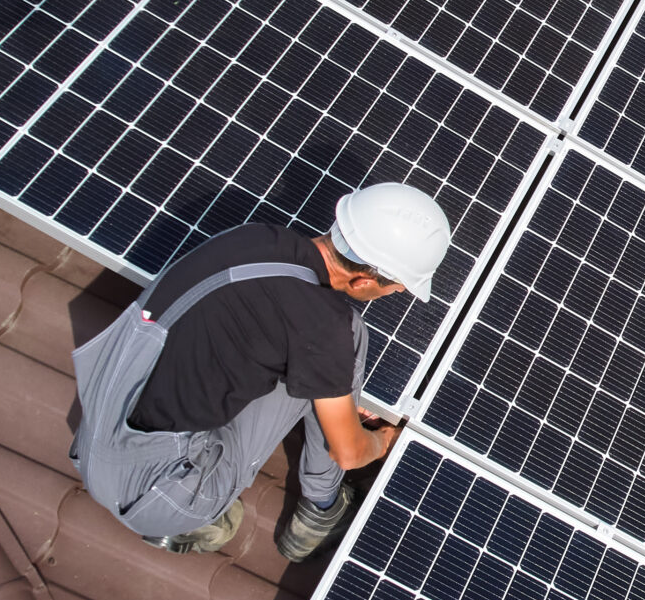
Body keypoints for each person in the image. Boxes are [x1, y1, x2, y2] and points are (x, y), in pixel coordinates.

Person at [70, 183, 453, 561]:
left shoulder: (255, 237)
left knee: (315, 362)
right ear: (364, 281)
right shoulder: (323, 328)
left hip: (95, 440)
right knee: (349, 337)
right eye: (398, 287)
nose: (400, 293)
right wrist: (381, 441)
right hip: (162, 492)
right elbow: (349, 452)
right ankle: (320, 511)